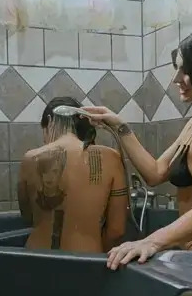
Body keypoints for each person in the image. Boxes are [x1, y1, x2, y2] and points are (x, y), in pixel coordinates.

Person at [82, 25, 192, 269]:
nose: (176, 79)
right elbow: (155, 173)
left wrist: (151, 241)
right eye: (177, 69)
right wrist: (119, 126)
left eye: (186, 70)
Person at [17, 96, 129, 253]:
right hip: (85, 259)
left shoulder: (29, 158)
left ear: (50, 120)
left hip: (35, 256)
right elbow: (116, 230)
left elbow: (28, 217)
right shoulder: (110, 157)